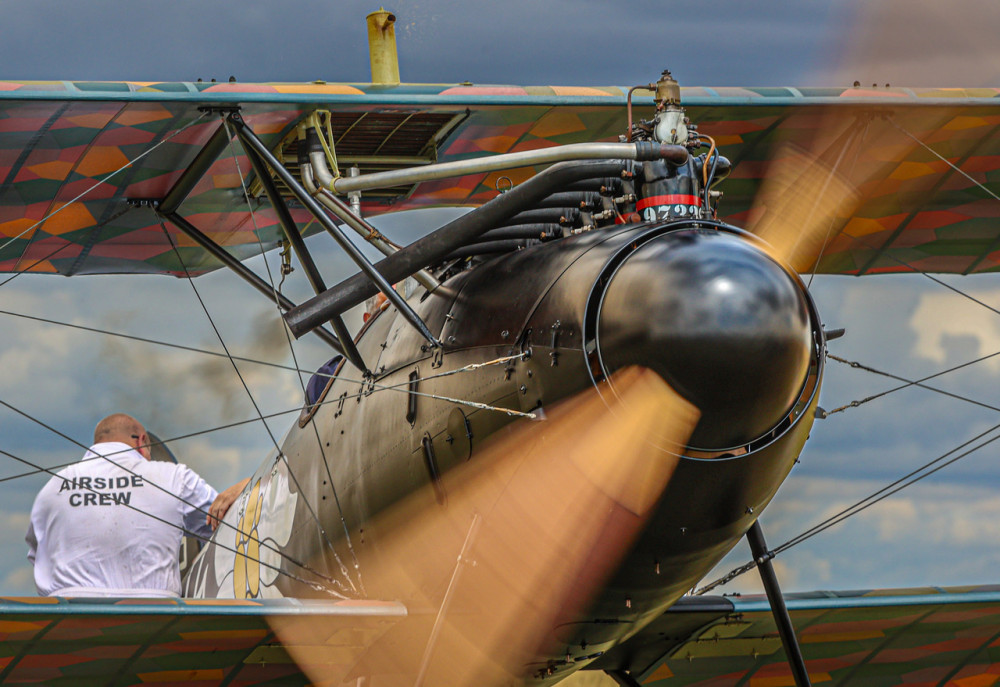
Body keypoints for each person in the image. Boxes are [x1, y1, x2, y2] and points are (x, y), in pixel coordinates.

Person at [26, 413, 246, 598]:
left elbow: (38, 555)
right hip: (153, 616)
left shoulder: (53, 487)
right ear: (141, 442)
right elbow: (226, 521)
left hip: (70, 619)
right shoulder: (175, 477)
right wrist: (250, 485)